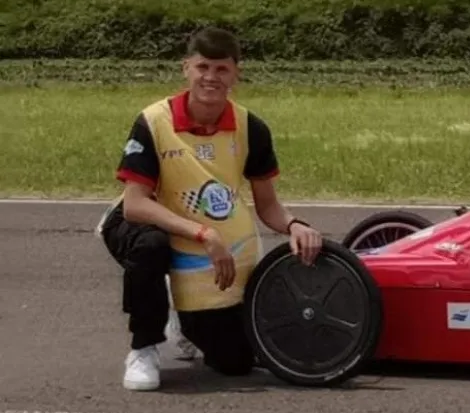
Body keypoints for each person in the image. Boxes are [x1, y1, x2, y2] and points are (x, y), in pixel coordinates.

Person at [97, 27, 324, 391]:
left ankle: (182, 318)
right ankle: (144, 347)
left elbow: (267, 205)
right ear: (186, 68)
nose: (211, 77)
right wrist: (203, 233)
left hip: (207, 243)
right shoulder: (153, 122)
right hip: (149, 223)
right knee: (150, 247)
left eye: (221, 69)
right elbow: (136, 205)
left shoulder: (251, 127)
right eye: (203, 67)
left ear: (236, 73)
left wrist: (296, 225)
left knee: (235, 364)